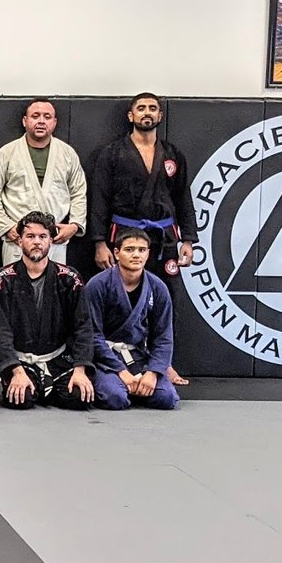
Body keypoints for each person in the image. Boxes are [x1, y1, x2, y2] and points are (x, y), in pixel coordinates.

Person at [89, 92, 194, 386]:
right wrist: (99, 242)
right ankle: (116, 362)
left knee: (167, 296)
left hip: (164, 238)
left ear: (160, 115)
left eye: (152, 108)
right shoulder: (112, 154)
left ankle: (165, 363)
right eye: (141, 108)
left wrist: (188, 239)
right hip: (124, 234)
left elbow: (183, 198)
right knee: (119, 298)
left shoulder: (173, 154)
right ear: (131, 116)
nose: (147, 112)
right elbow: (99, 199)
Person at [0, 211, 95, 410]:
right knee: (21, 399)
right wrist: (15, 371)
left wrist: (80, 369)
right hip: (20, 360)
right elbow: (0, 330)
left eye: (42, 236)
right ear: (19, 241)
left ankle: (47, 386)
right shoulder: (2, 280)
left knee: (80, 397)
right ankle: (39, 386)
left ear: (51, 240)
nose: (37, 241)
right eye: (30, 236)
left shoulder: (70, 278)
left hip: (58, 359)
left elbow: (83, 327)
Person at [0, 99, 88, 265]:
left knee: (54, 281)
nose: (41, 121)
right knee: (14, 280)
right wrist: (6, 227)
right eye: (35, 116)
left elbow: (79, 192)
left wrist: (74, 225)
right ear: (25, 121)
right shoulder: (7, 153)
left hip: (54, 238)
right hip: (18, 238)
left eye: (47, 117)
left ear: (54, 122)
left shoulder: (67, 154)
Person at [86, 228, 179, 411]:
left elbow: (163, 337)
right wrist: (121, 371)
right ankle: (122, 386)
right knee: (115, 397)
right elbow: (92, 335)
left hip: (139, 357)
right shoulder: (97, 285)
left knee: (167, 398)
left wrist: (153, 372)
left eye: (141, 250)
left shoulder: (158, 287)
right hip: (106, 359)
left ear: (148, 254)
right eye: (129, 250)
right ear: (116, 253)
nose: (136, 255)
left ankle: (137, 386)